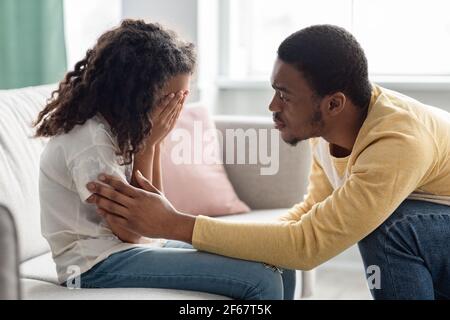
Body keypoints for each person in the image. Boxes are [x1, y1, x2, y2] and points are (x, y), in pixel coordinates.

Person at [87, 24, 450, 300]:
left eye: (285, 96)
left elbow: (309, 245)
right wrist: (218, 244)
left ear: (334, 104)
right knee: (279, 252)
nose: (272, 108)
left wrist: (176, 224)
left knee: (390, 226)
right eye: (274, 91)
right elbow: (308, 215)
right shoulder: (333, 131)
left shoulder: (398, 141)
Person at [35, 19, 296, 299]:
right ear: (134, 92)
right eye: (168, 100)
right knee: (261, 279)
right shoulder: (89, 140)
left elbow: (152, 210)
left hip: (133, 249)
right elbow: (131, 232)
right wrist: (148, 144)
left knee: (280, 262)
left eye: (181, 99)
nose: (174, 109)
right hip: (92, 267)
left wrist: (153, 141)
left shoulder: (119, 127)